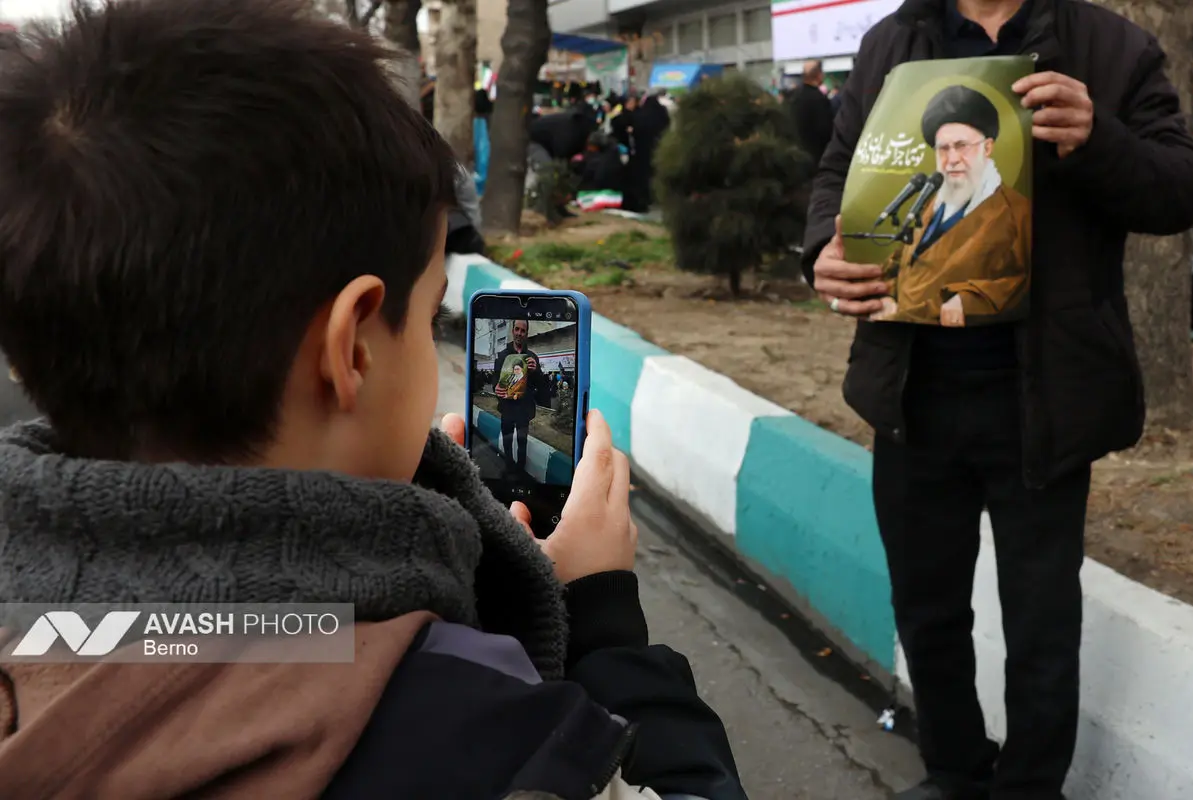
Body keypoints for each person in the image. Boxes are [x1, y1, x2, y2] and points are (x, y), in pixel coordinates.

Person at [0, 2, 748, 798]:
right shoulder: (486, 740)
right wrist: (598, 622)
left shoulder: (38, 629)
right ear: (351, 347)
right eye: (429, 320)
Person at [801, 1, 1193, 799]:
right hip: (913, 393)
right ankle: (952, 769)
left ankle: (1029, 788)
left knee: (1042, 621)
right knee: (927, 608)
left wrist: (1099, 138)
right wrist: (822, 250)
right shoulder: (892, 43)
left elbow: (1179, 190)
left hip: (1044, 395)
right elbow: (836, 173)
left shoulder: (1110, 46)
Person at [872, 85, 1032, 326]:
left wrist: (967, 301)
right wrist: (885, 295)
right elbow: (902, 262)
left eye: (962, 146)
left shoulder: (1017, 213)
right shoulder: (929, 204)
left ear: (987, 148)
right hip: (900, 336)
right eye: (943, 149)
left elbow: (1024, 282)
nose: (953, 159)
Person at [493, 319, 545, 473]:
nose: (519, 333)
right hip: (507, 408)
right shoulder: (502, 356)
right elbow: (495, 379)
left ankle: (520, 469)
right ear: (512, 330)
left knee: (522, 441)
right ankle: (508, 466)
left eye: (523, 331)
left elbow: (541, 385)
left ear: (526, 333)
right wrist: (496, 388)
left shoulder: (532, 357)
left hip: (524, 410)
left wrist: (536, 371)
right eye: (517, 329)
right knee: (507, 440)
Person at [787, 59, 835, 162]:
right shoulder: (819, 99)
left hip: (797, 155)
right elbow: (826, 130)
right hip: (816, 156)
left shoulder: (793, 97)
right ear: (819, 75)